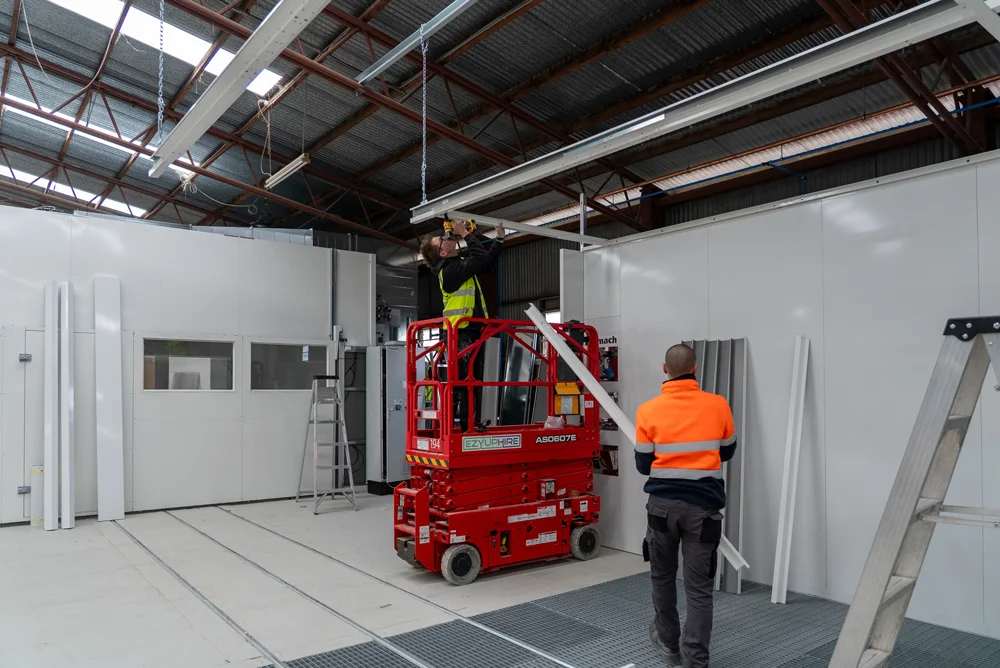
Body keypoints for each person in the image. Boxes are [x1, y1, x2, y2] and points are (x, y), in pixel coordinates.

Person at [635, 343, 736, 668]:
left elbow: (642, 464)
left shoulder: (648, 410)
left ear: (665, 369)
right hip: (702, 510)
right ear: (695, 369)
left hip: (662, 509)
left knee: (662, 578)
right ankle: (696, 662)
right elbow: (727, 452)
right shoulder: (718, 405)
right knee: (699, 591)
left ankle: (669, 647)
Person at [419, 220, 504, 431]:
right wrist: (464, 234)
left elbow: (487, 263)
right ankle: (466, 426)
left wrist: (499, 240)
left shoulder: (458, 266)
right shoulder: (449, 272)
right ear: (443, 253)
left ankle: (469, 424)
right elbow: (480, 258)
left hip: (469, 330)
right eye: (443, 240)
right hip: (460, 332)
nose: (447, 238)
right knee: (465, 381)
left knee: (470, 380)